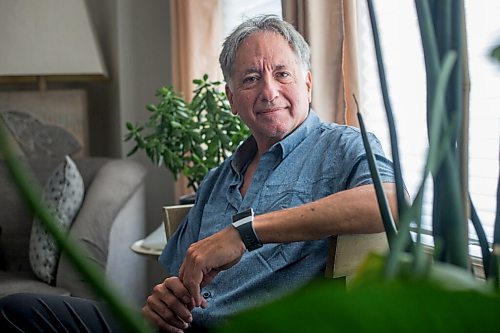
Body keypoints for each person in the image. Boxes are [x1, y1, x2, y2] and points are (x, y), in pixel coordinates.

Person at [0, 14, 397, 333]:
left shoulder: (342, 146)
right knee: (17, 309)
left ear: (307, 83)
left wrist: (246, 232)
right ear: (231, 99)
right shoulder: (218, 178)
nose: (269, 91)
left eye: (282, 74)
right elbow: (183, 279)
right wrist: (166, 298)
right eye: (251, 79)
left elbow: (391, 202)